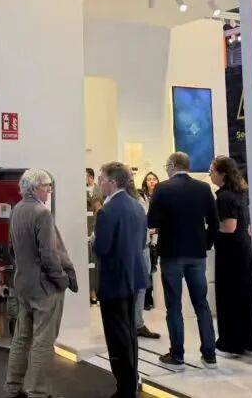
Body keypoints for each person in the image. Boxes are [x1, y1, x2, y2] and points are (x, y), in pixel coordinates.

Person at [4, 169, 78, 398]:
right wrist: (62, 280)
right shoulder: (42, 213)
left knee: (21, 338)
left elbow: (12, 248)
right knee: (43, 341)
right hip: (44, 288)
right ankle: (38, 391)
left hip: (23, 284)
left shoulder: (17, 209)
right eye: (47, 186)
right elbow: (49, 255)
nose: (49, 190)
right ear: (35, 187)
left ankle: (13, 386)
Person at [147, 152, 220, 371]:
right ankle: (210, 355)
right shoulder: (203, 188)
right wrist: (205, 243)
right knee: (202, 304)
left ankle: (177, 355)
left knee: (174, 306)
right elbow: (214, 222)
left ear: (172, 165)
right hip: (197, 253)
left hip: (171, 254)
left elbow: (152, 221)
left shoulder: (162, 189)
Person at [95, 162, 150, 398]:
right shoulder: (137, 206)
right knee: (129, 333)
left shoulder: (107, 211)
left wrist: (94, 240)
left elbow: (102, 248)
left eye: (101, 179)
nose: (99, 183)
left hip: (114, 280)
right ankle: (131, 381)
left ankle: (124, 388)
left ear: (113, 182)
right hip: (133, 277)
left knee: (117, 337)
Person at [208, 156, 252, 357]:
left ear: (222, 173)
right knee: (244, 295)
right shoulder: (240, 193)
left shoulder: (224, 197)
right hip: (243, 248)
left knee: (229, 296)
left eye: (212, 171)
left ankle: (230, 343)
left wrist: (209, 231)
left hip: (230, 252)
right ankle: (249, 341)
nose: (210, 174)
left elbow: (229, 227)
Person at [133, 174, 160, 339]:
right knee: (137, 286)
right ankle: (134, 324)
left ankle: (138, 323)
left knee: (143, 285)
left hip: (146, 245)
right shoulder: (133, 198)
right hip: (136, 248)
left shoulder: (142, 198)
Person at [140, 173, 160, 310]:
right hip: (146, 236)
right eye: (149, 179)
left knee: (155, 269)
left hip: (158, 236)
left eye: (154, 179)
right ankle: (147, 298)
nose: (152, 181)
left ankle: (154, 297)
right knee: (147, 269)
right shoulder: (142, 197)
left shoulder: (161, 194)